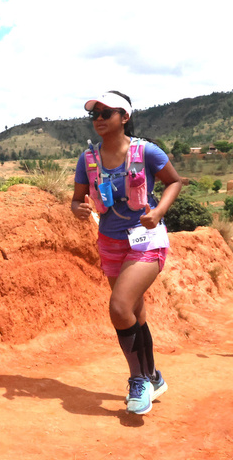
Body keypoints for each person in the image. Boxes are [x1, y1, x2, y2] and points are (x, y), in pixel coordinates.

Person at [70, 91, 181, 415]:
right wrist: (78, 208)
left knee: (119, 307)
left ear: (125, 117)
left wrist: (158, 211)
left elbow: (173, 182)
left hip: (146, 240)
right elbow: (76, 199)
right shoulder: (87, 159)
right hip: (110, 241)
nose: (99, 118)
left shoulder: (146, 151)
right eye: (95, 114)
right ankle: (153, 376)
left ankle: (138, 381)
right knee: (135, 311)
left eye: (107, 112)